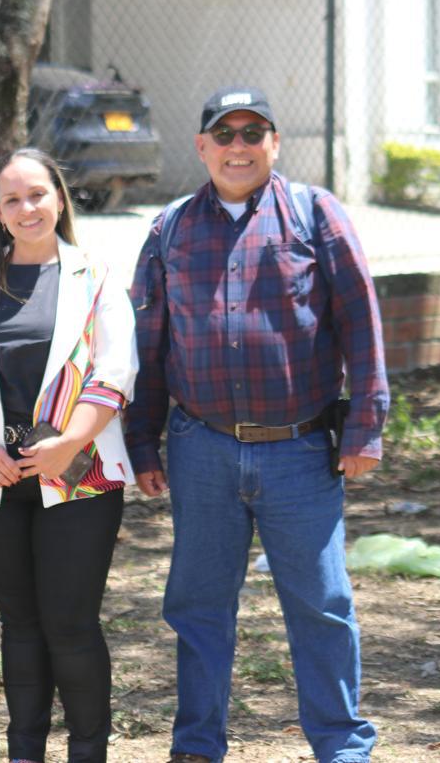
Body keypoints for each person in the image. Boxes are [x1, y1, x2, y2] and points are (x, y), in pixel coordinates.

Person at [127, 86, 388, 763]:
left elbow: (360, 322)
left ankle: (342, 746)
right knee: (197, 605)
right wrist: (140, 438)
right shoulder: (170, 229)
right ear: (203, 146)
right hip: (200, 447)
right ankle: (196, 746)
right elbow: (149, 341)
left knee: (322, 604)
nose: (238, 146)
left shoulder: (315, 214)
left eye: (253, 133)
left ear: (274, 143)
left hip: (299, 451)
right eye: (225, 133)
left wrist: (365, 425)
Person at [0, 148, 138, 763]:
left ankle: (87, 752)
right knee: (19, 624)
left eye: (38, 194)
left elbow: (114, 372)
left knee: (70, 625)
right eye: (12, 198)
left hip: (78, 475)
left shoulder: (95, 275)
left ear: (59, 199)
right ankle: (24, 753)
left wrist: (69, 444)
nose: (27, 208)